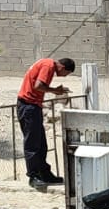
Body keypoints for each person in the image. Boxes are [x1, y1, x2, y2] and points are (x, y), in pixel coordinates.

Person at [17, 56, 76, 190]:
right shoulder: (48, 66)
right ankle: (33, 176)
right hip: (28, 106)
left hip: (33, 106)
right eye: (66, 74)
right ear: (62, 67)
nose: (63, 76)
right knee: (32, 143)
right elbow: (38, 86)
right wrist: (56, 90)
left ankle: (44, 173)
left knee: (41, 143)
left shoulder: (46, 63)